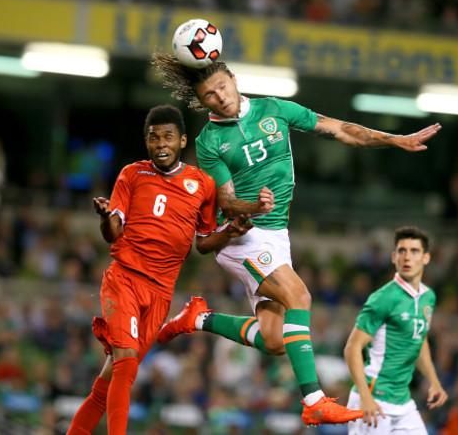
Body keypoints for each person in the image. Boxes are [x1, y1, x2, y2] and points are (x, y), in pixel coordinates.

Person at [151, 53, 441, 427]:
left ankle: (199, 317)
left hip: (275, 234)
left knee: (274, 340)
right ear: (202, 101)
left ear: (234, 80)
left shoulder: (275, 109)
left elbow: (338, 129)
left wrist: (393, 140)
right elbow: (224, 199)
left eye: (222, 86)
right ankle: (314, 400)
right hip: (243, 237)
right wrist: (252, 206)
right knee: (299, 295)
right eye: (209, 95)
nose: (219, 97)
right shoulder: (210, 141)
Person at [65, 104, 263, 435]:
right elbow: (113, 232)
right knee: (127, 364)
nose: (160, 144)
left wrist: (228, 232)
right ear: (146, 142)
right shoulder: (132, 174)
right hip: (125, 279)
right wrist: (104, 216)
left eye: (167, 137)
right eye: (154, 138)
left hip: (160, 293)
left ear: (182, 141)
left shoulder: (202, 184)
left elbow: (202, 243)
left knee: (108, 382)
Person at [343, 226, 448, 434]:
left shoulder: (428, 297)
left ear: (426, 258)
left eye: (414, 251)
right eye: (402, 251)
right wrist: (365, 398)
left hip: (403, 402)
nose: (407, 257)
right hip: (373, 398)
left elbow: (419, 340)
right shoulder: (383, 298)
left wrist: (434, 381)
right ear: (393, 257)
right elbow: (352, 348)